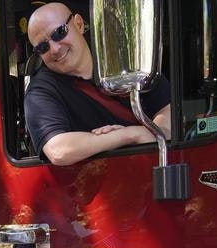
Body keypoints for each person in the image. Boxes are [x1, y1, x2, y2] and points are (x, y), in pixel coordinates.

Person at [23, 2, 171, 166]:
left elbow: (169, 113)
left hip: (157, 168)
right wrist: (130, 135)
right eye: (43, 47)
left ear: (78, 24)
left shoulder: (123, 60)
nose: (55, 49)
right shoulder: (41, 92)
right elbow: (58, 150)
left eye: (59, 33)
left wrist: (157, 133)